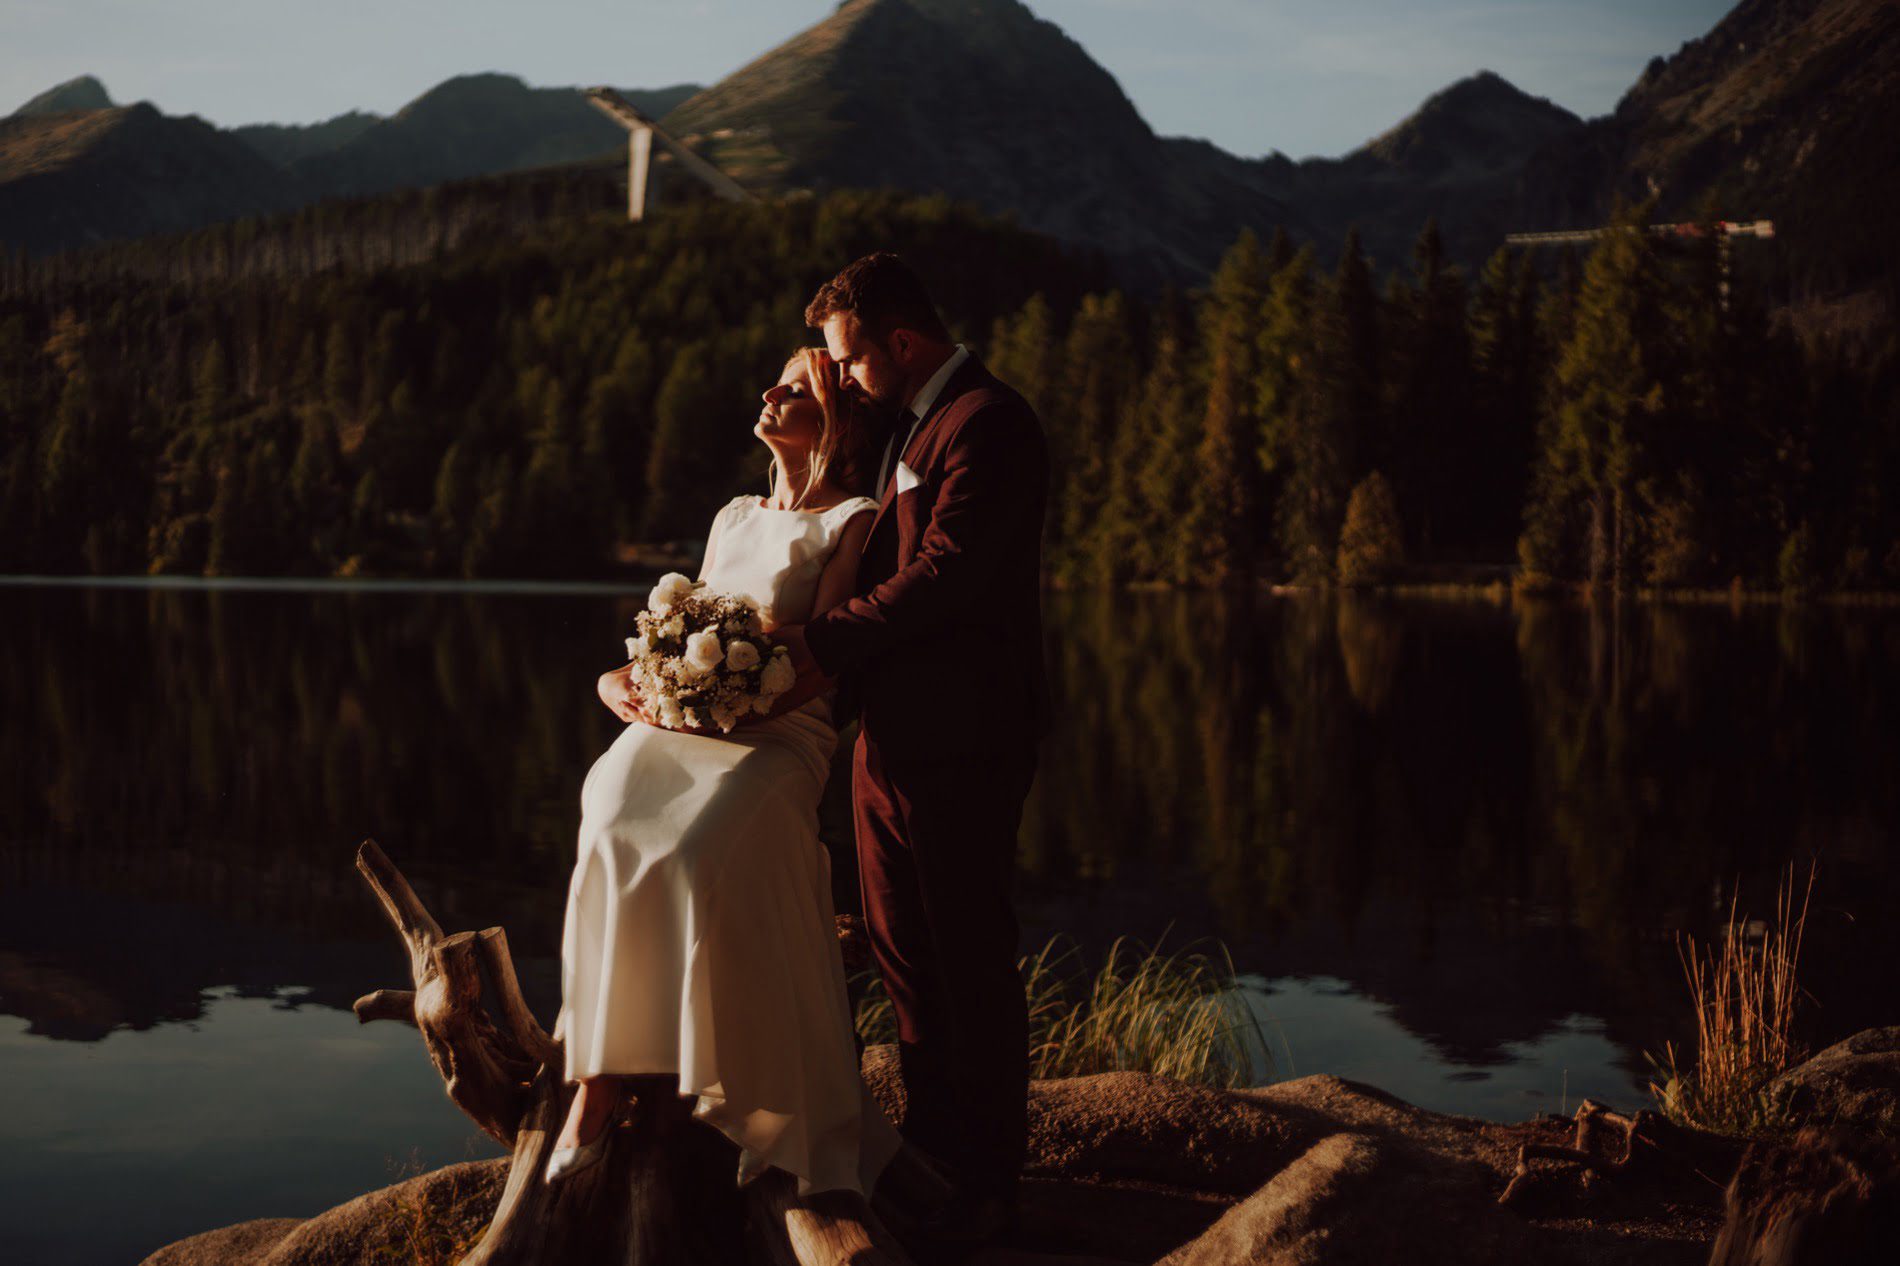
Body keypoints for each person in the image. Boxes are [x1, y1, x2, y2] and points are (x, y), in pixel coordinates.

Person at [547, 347, 902, 1205]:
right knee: (608, 808)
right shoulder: (734, 515)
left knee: (703, 841)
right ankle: (598, 1079)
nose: (771, 392)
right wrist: (625, 679)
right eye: (774, 379)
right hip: (685, 719)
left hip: (779, 733)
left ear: (836, 422)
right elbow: (677, 626)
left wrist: (736, 696)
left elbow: (823, 657)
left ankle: (736, 1087)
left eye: (797, 387)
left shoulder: (854, 519)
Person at [773, 252, 1052, 1245]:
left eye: (849, 360)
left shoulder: (989, 422)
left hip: (966, 737)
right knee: (903, 960)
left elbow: (945, 575)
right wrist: (802, 416)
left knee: (967, 958)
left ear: (902, 342)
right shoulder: (909, 421)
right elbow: (847, 507)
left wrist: (815, 646)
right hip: (887, 738)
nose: (841, 377)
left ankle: (990, 1183)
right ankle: (930, 1160)